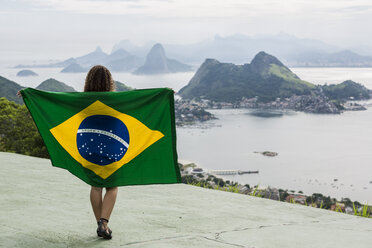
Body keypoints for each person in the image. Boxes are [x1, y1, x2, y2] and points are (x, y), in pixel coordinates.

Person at [84, 65, 118, 239]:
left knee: (96, 187)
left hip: (89, 150)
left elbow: (55, 100)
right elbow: (142, 100)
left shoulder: (82, 101)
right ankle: (103, 224)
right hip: (111, 150)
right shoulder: (116, 100)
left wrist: (30, 95)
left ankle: (100, 225)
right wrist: (164, 94)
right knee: (112, 187)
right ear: (109, 81)